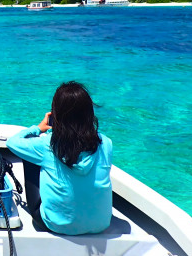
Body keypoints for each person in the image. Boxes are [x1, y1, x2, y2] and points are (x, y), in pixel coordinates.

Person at [6, 81, 112, 235]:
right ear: (89, 113)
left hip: (57, 224)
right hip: (101, 224)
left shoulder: (47, 144)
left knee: (30, 157)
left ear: (56, 115)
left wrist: (38, 128)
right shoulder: (106, 143)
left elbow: (12, 143)